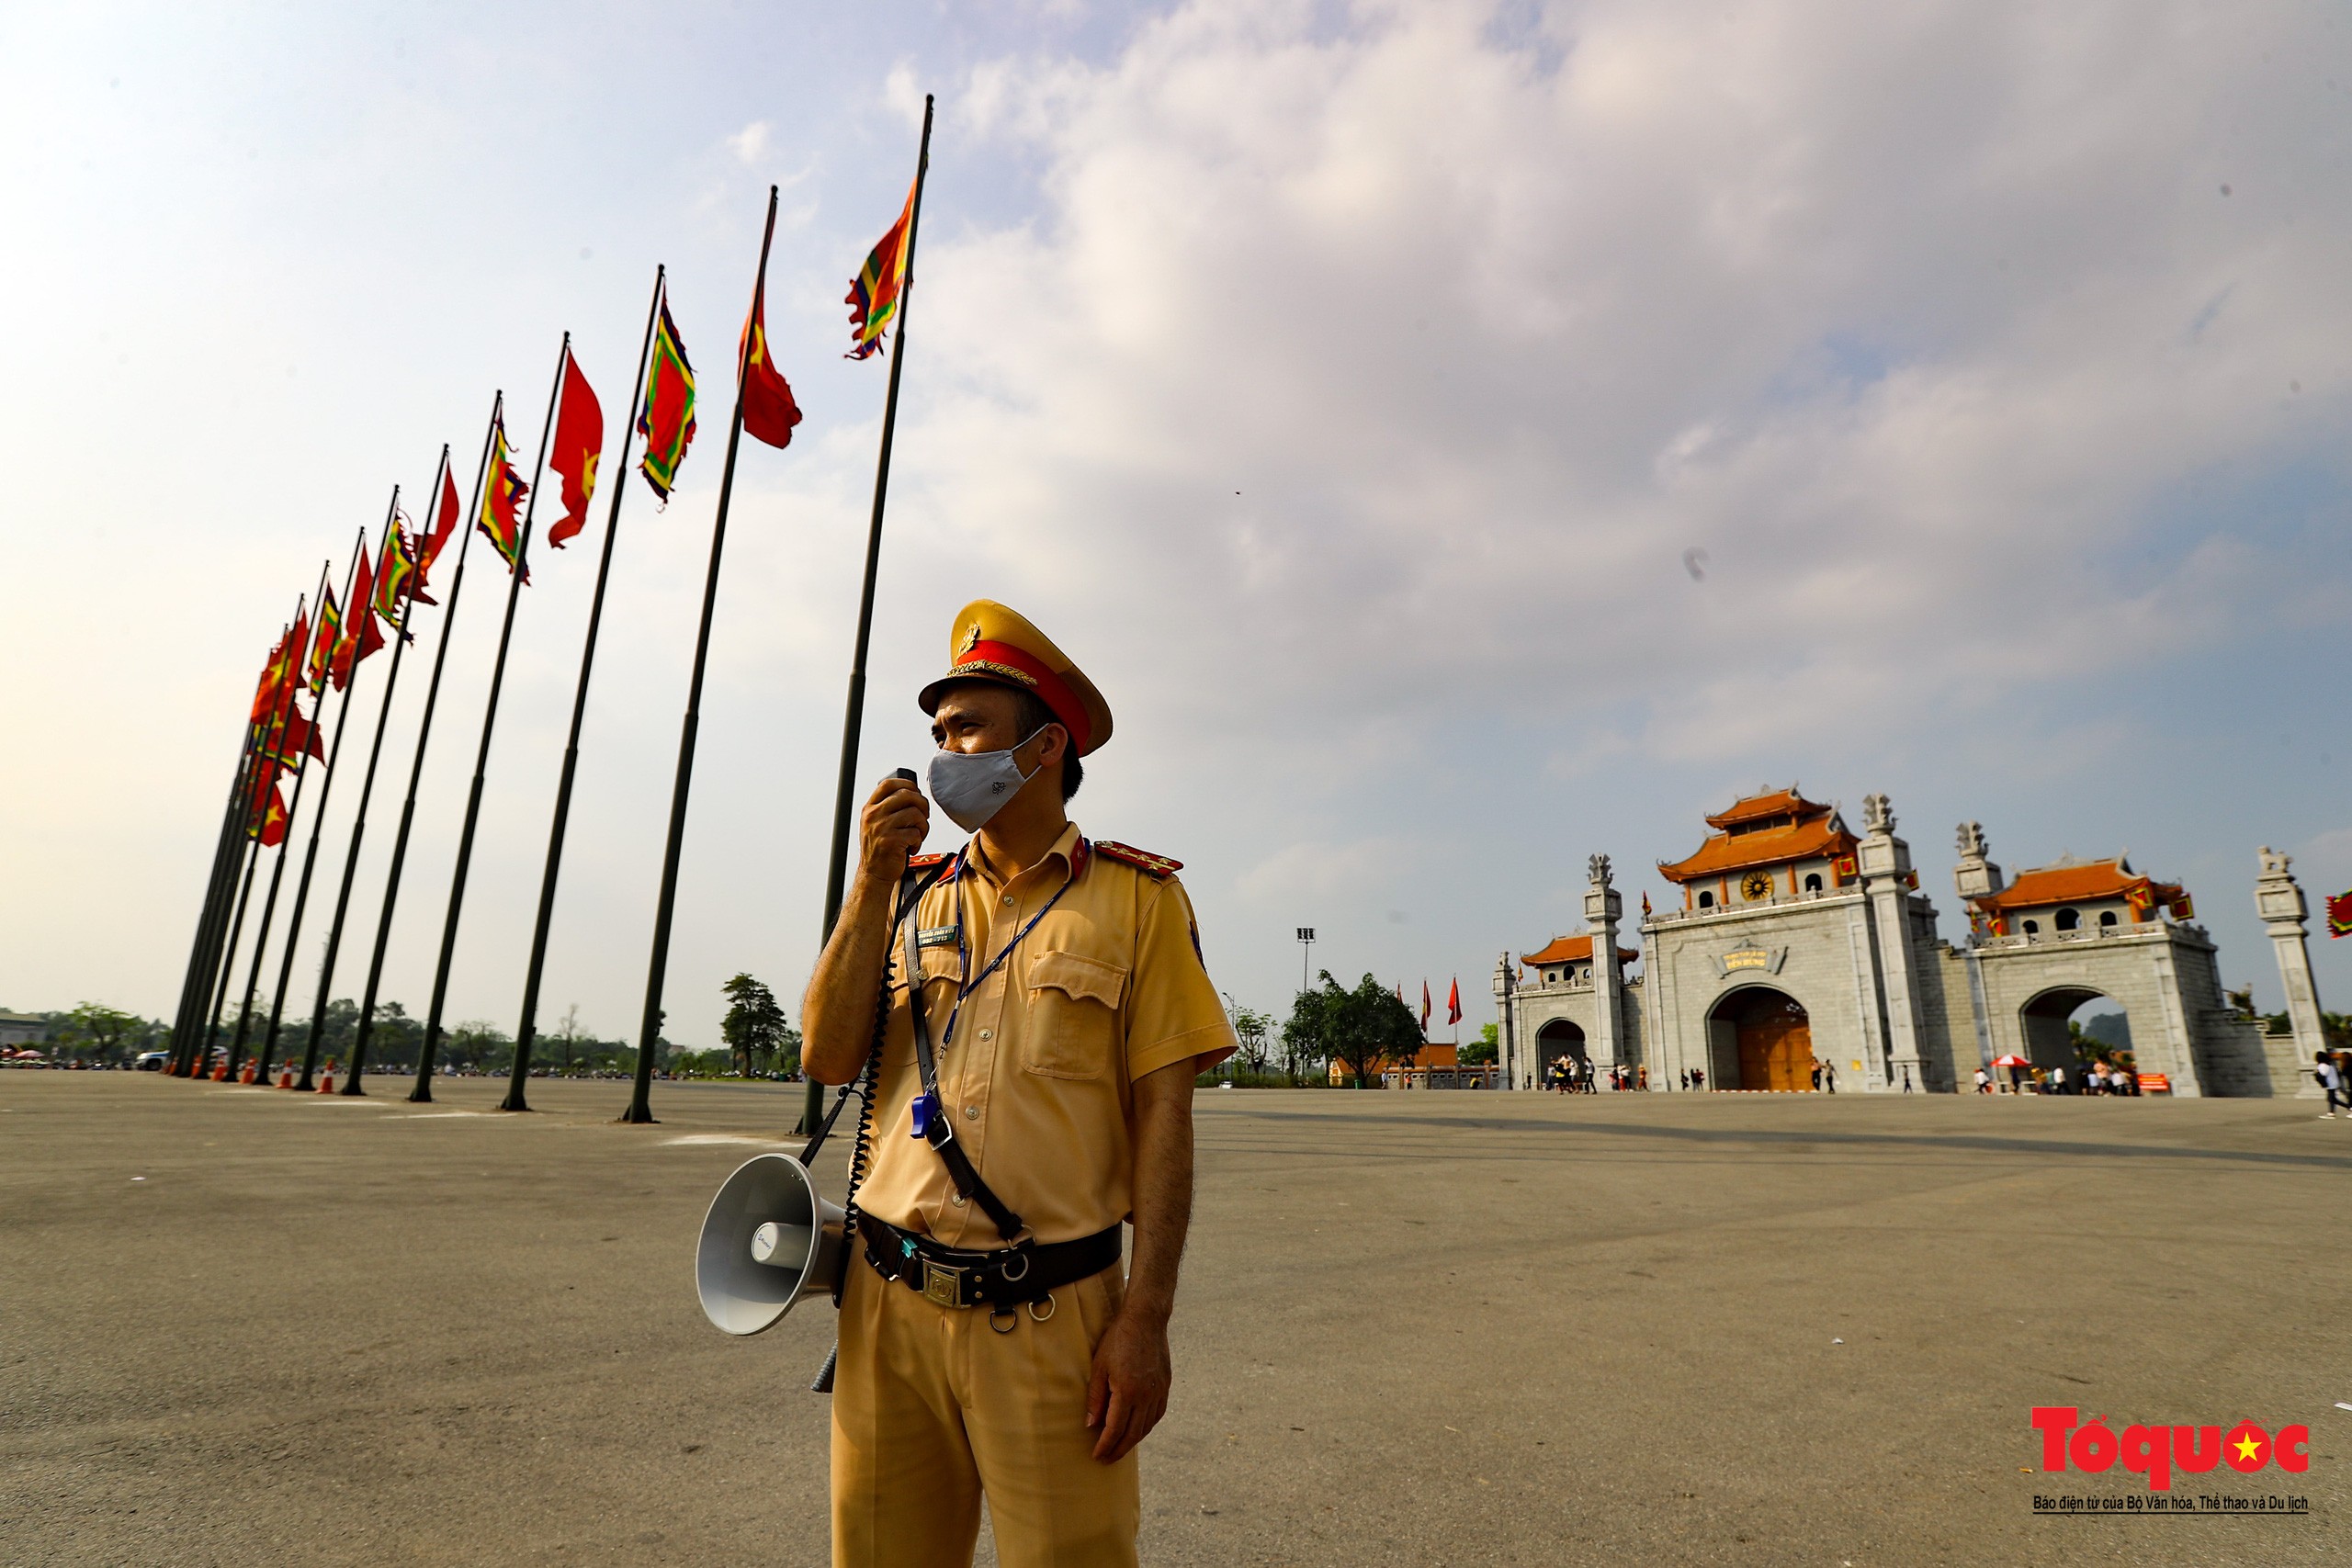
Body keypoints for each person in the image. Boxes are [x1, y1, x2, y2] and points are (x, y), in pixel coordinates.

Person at [802, 600, 1236, 1568]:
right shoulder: (907, 893)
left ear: (1043, 749)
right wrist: (869, 885)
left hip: (1051, 1318)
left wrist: (1147, 1319)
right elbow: (826, 1059)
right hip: (885, 1305)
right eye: (938, 732)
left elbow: (1165, 1116)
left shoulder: (1137, 901)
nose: (943, 752)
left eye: (967, 729)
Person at [2318, 1050, 2349, 1119]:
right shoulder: (2330, 1064)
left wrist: (2317, 1073)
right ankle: (2331, 1113)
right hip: (2334, 1082)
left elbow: (2323, 1074)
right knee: (2332, 1099)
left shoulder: (2322, 1065)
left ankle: (2332, 1113)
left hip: (2330, 1084)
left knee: (2331, 1099)